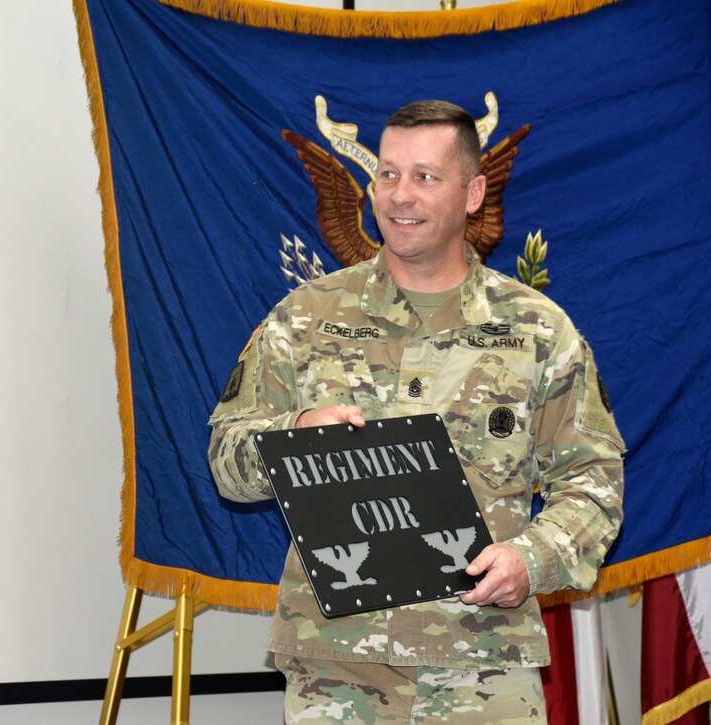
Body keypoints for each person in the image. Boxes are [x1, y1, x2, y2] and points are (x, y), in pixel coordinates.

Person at [208, 100, 624, 723]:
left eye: (426, 177)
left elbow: (594, 485)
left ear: (473, 192)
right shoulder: (304, 316)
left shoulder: (539, 332)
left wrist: (529, 559)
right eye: (389, 175)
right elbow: (225, 460)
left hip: (482, 671)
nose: (400, 196)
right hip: (336, 673)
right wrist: (290, 438)